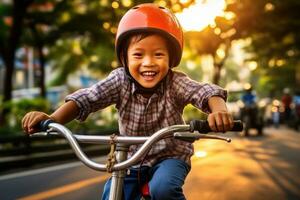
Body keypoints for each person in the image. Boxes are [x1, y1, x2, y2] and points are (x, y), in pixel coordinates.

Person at [22, 3, 234, 200]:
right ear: (125, 58)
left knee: (163, 189)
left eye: (158, 54)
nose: (148, 63)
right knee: (112, 194)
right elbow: (86, 98)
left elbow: (205, 92)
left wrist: (218, 110)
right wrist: (52, 118)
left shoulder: (175, 82)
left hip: (170, 157)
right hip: (130, 159)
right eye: (138, 55)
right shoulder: (119, 80)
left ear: (171, 58)